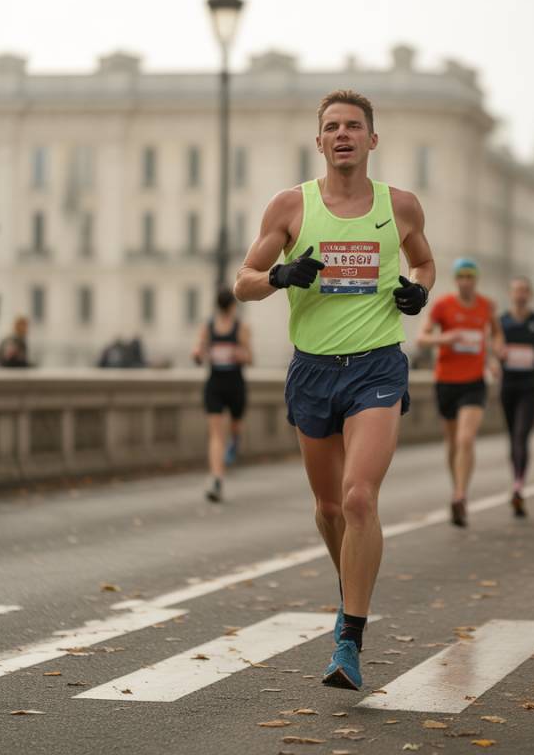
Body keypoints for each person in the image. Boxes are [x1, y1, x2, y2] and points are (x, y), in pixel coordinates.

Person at [233, 90, 435, 691]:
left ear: (373, 140)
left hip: (376, 366)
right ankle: (353, 585)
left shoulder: (399, 206)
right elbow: (242, 283)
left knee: (358, 499)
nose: (342, 135)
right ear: (318, 141)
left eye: (353, 126)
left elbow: (424, 263)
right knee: (327, 509)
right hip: (313, 371)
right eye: (331, 127)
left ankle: (349, 636)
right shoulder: (290, 206)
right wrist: (279, 275)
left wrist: (418, 291)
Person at [417, 258, 504, 527]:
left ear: (476, 280)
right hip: (446, 381)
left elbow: (496, 334)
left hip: (475, 382)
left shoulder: (486, 306)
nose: (466, 281)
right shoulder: (443, 305)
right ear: (456, 280)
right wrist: (445, 339)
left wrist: (495, 354)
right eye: (461, 276)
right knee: (453, 441)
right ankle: (458, 486)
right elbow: (422, 338)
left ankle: (460, 494)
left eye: (470, 276)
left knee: (466, 438)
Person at [497, 277, 534, 517]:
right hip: (508, 385)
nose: (520, 295)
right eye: (516, 290)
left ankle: (518, 485)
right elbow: (493, 347)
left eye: (524, 291)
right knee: (513, 437)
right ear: (510, 294)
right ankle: (517, 479)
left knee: (522, 435)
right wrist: (496, 357)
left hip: (530, 387)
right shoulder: (502, 321)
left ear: (530, 294)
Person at [193, 289, 251, 503]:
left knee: (234, 427)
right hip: (215, 384)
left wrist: (239, 355)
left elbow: (250, 357)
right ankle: (216, 478)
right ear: (231, 306)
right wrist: (199, 354)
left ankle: (235, 440)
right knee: (216, 434)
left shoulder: (241, 328)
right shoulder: (208, 327)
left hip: (235, 384)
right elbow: (198, 351)